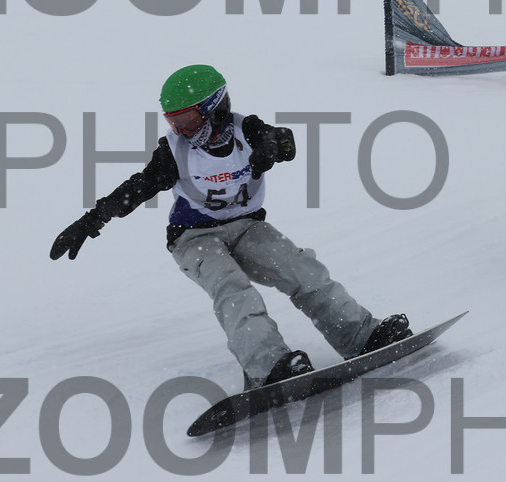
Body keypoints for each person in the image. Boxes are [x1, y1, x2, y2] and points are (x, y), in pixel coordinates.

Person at [49, 64, 410, 390]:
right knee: (233, 289)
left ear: (216, 108)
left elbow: (283, 140)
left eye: (188, 121)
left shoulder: (246, 130)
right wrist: (91, 220)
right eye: (174, 123)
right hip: (193, 237)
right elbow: (137, 188)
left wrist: (273, 146)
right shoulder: (174, 152)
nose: (182, 131)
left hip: (247, 228)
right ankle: (268, 366)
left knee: (301, 269)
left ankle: (361, 336)